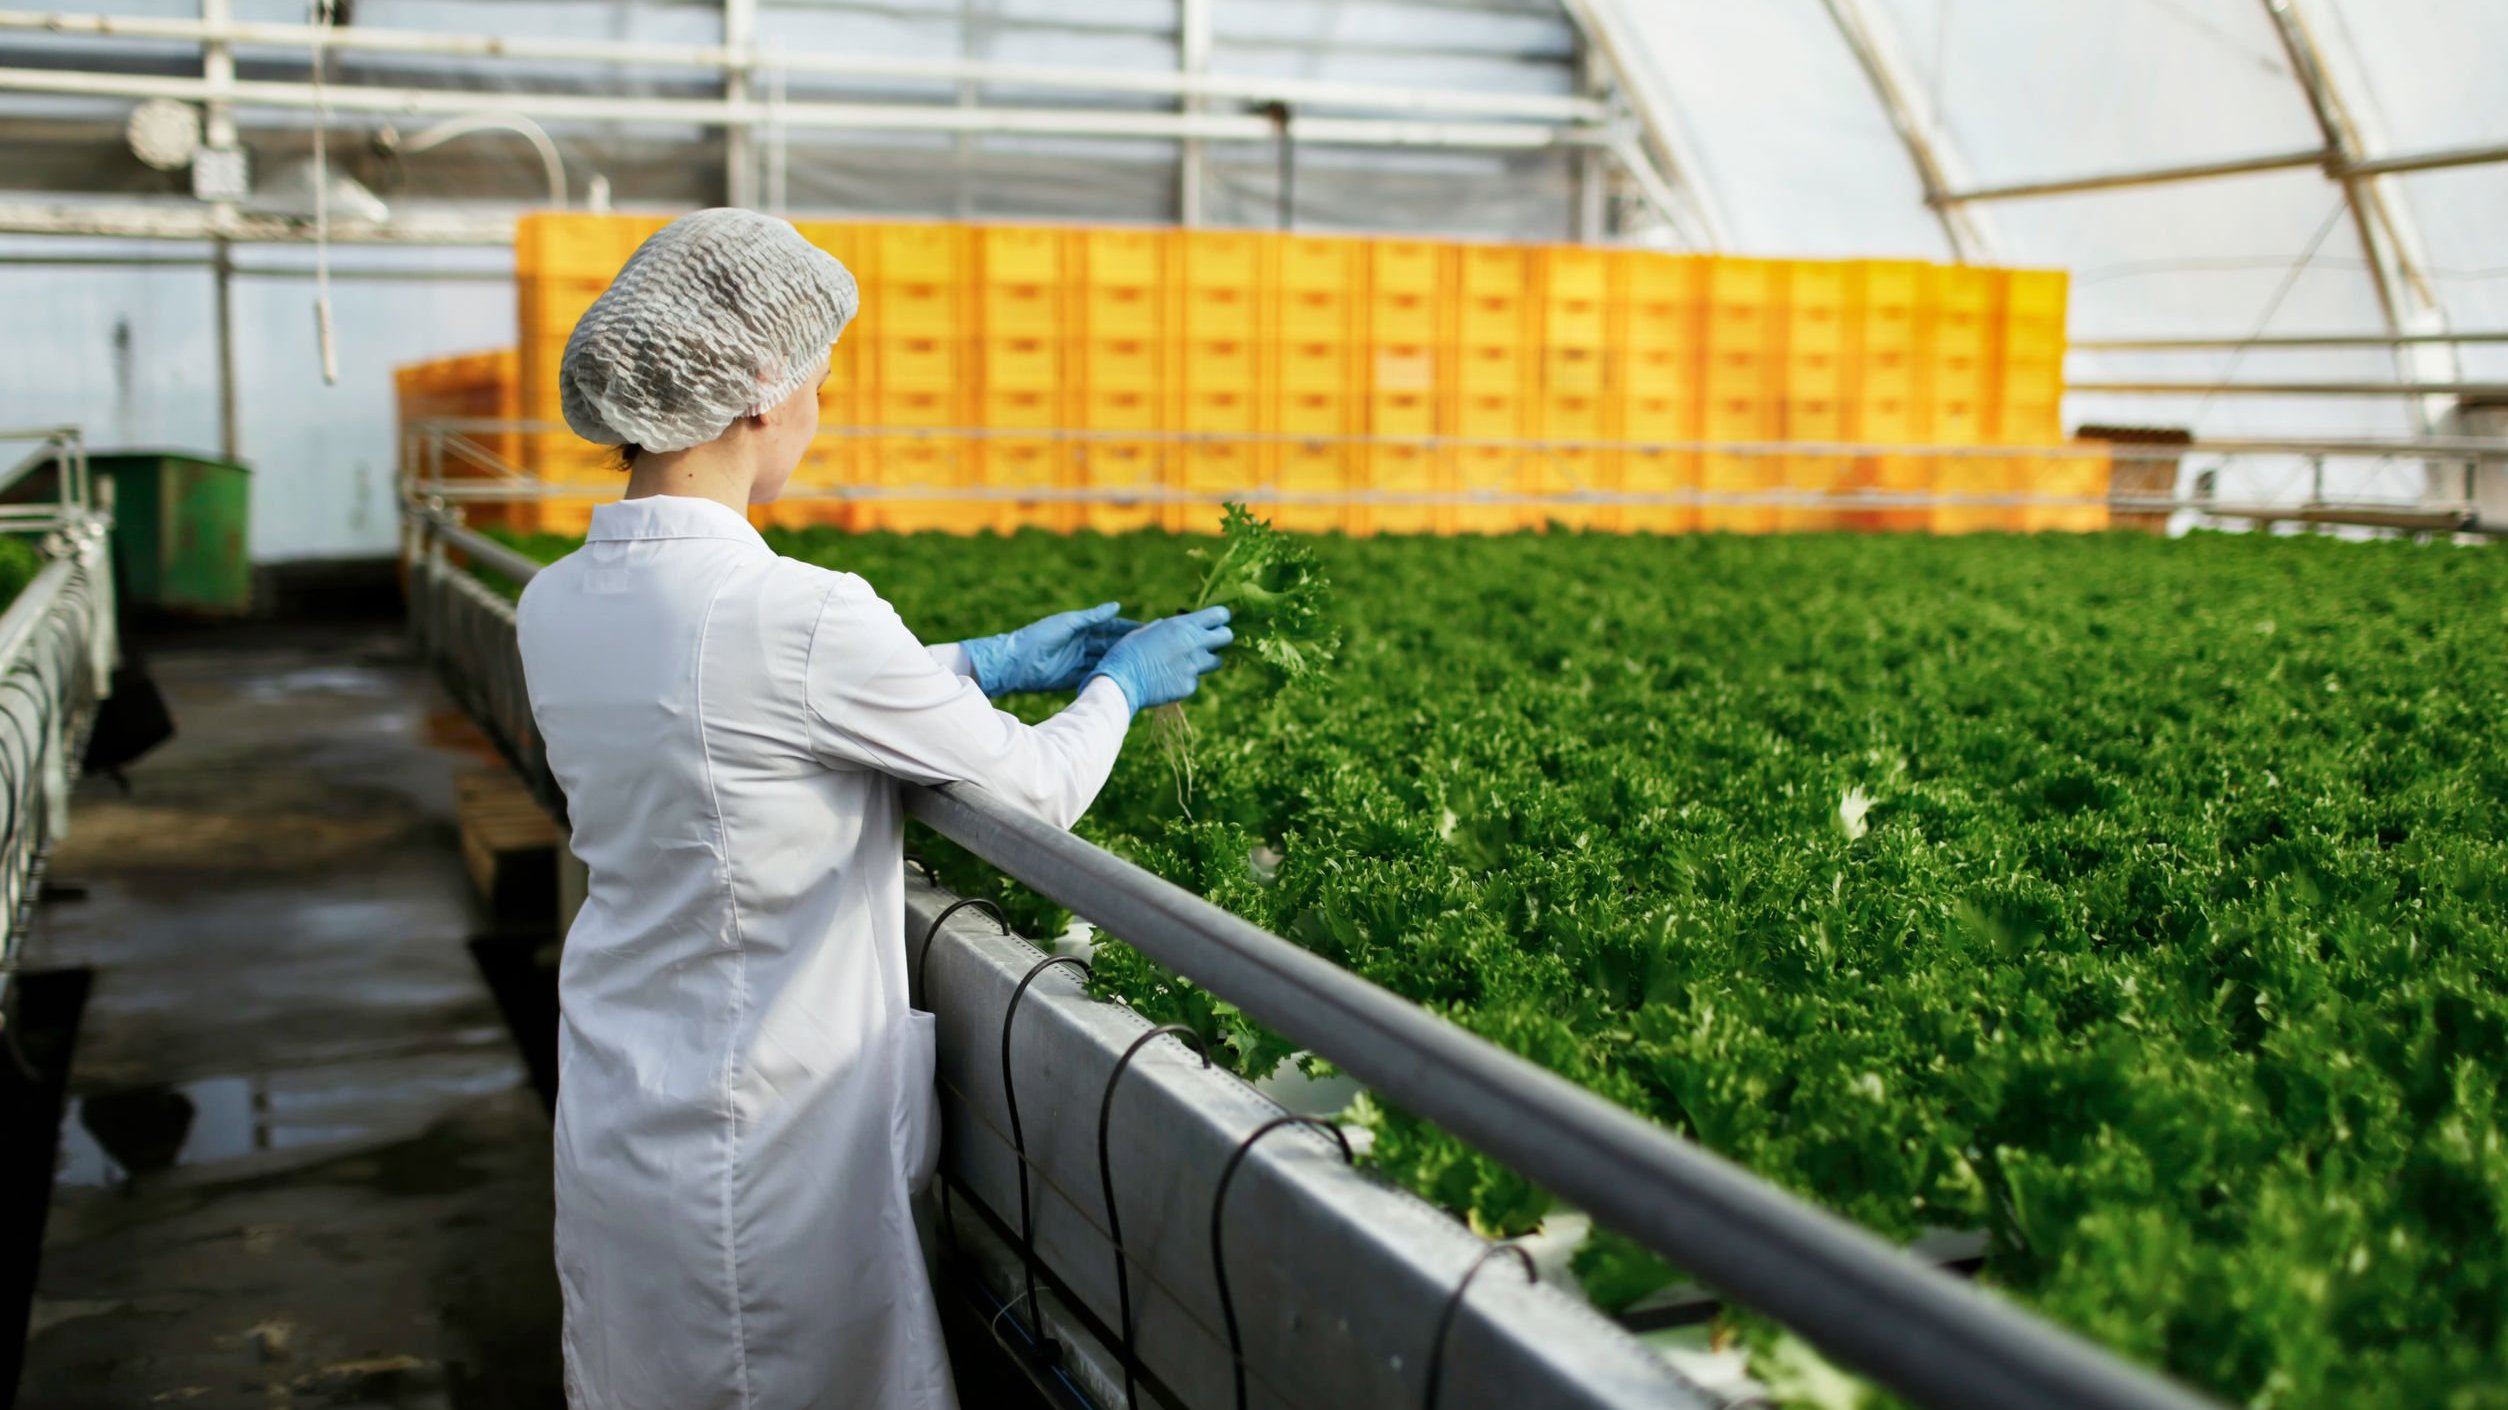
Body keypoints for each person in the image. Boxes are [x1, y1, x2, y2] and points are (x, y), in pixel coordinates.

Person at [513, 208, 1231, 1410]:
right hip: (763, 1142)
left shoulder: (558, 600)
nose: (814, 417)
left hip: (625, 1102)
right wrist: (1122, 682)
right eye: (816, 386)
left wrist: (980, 659)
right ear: (757, 390)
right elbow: (1037, 786)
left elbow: (727, 716)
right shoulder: (798, 610)